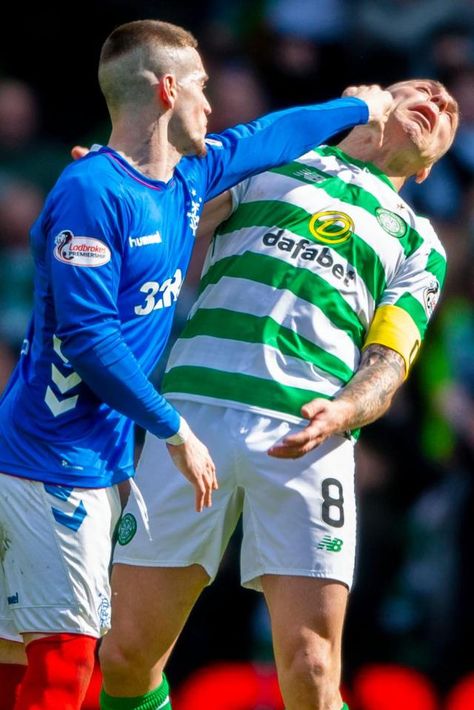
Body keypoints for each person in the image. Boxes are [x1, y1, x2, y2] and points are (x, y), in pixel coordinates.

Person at [0, 17, 393, 710]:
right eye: (203, 88)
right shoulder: (94, 190)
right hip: (52, 460)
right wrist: (176, 430)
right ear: (168, 89)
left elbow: (271, 135)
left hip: (87, 457)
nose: (213, 106)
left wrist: (362, 106)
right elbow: (92, 341)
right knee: (67, 668)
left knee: (18, 656)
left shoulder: (182, 181)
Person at [99, 78, 459, 710]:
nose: (442, 101)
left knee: (313, 669)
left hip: (306, 439)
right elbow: (171, 217)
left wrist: (346, 409)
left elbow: (389, 360)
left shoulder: (419, 243)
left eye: (451, 110)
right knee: (125, 659)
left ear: (430, 170)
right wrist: (112, 191)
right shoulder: (277, 161)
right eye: (422, 89)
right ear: (371, 99)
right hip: (190, 423)